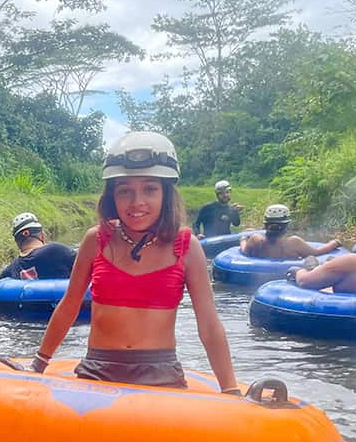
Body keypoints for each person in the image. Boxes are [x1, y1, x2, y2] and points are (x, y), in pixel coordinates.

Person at [30, 131, 238, 393]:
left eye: (149, 189)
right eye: (124, 190)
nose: (137, 202)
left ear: (165, 194)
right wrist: (38, 365)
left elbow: (208, 323)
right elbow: (69, 305)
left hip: (161, 375)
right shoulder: (97, 240)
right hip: (97, 371)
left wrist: (231, 391)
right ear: (112, 197)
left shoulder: (187, 246)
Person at [240, 204, 342, 259]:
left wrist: (243, 238)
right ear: (286, 225)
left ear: (265, 224)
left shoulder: (255, 240)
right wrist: (334, 243)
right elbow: (317, 253)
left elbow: (244, 250)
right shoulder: (294, 242)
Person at [0, 212, 76, 279]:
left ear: (17, 242)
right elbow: (85, 264)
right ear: (42, 236)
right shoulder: (56, 251)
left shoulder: (10, 271)